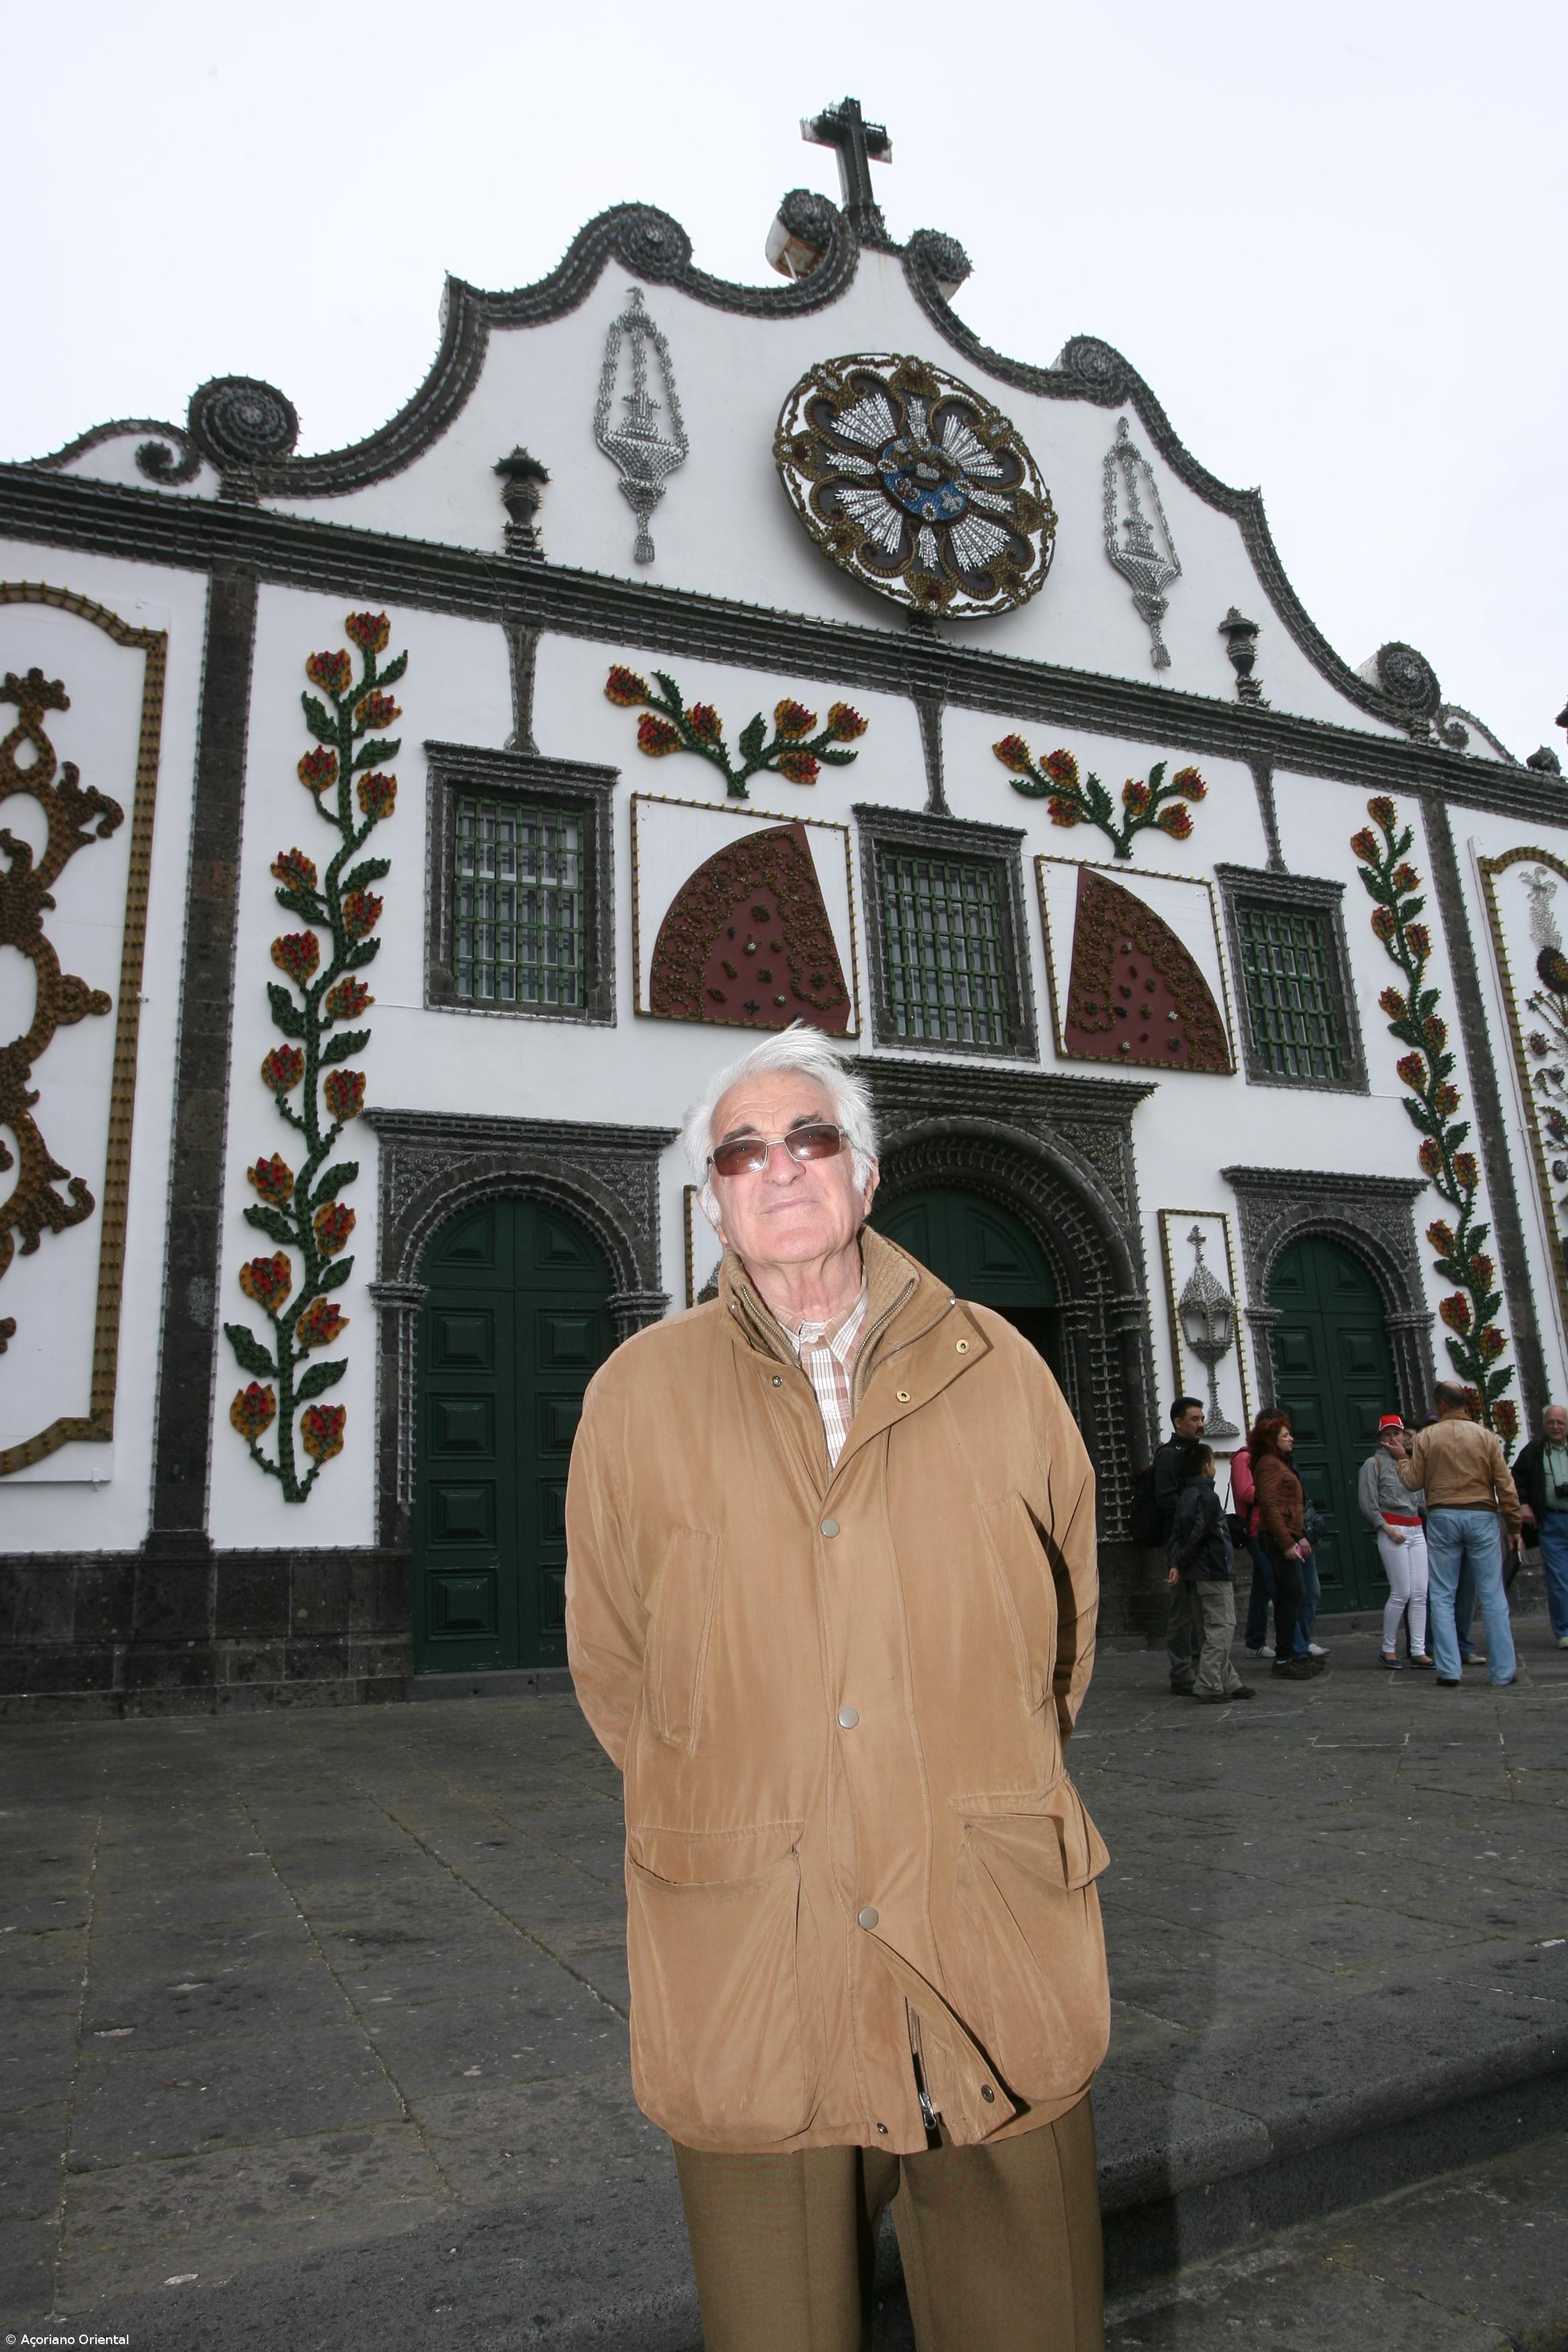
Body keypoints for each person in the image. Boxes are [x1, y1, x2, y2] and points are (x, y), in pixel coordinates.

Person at [565, 1024, 1108, 2352]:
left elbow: (1064, 1637)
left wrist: (965, 1783)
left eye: (810, 1136)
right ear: (712, 1200)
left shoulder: (1000, 1366)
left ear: (866, 1177)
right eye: (740, 1150)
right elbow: (614, 1666)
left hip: (987, 1942)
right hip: (755, 1957)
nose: (779, 1166)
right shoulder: (637, 1394)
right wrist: (749, 1803)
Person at [1397, 1383, 1520, 1687]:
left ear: (1441, 1406)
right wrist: (1515, 1526)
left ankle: (1449, 1669)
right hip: (1481, 1514)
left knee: (1441, 1593)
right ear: (1464, 1404)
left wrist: (1401, 1458)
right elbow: (1505, 1485)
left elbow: (1413, 1482)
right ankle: (1503, 1671)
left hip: (1442, 1515)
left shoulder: (1427, 1436)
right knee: (1492, 1594)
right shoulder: (1486, 1437)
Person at [1167, 1442, 1253, 1702]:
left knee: (1209, 1630)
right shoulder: (1207, 1496)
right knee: (1223, 1626)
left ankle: (1229, 1680)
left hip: (1196, 1572)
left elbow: (1178, 1535)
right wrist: (1182, 1561)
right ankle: (1208, 1682)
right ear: (1206, 1468)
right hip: (1212, 1570)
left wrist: (1177, 1563)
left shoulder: (1185, 1496)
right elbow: (1200, 1533)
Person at [1358, 1414, 1432, 1669]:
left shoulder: (1412, 1462)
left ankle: (1419, 1649)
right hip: (1393, 1528)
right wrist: (1387, 1528)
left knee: (1421, 1593)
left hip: (1416, 1528)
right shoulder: (1374, 1464)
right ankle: (1388, 1649)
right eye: (1387, 1435)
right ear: (1380, 1439)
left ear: (1404, 1436)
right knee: (1401, 1592)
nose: (1393, 1438)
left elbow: (1422, 1500)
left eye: (1397, 1434)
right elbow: (1368, 1503)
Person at [1252, 1414, 1320, 1681]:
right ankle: (1284, 1657)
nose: (1291, 1439)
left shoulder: (1280, 1463)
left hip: (1288, 1535)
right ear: (1272, 1440)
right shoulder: (1270, 1464)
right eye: (1285, 1435)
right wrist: (1287, 1543)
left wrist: (1299, 1535)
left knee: (1294, 1594)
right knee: (1292, 1594)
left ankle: (1291, 1655)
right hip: (1277, 1539)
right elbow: (1269, 1506)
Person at [1156, 1397, 1207, 1695]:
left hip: (1200, 1541)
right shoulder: (1170, 1455)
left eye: (1202, 1419)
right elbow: (1166, 1499)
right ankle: (1182, 1671)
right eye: (1194, 1419)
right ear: (1178, 1422)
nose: (1201, 1424)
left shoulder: (1197, 1453)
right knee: (1181, 1608)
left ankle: (1203, 1667)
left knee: (1200, 1606)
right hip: (1180, 1541)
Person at [1507, 1403, 1568, 1649]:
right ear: (1544, 1425)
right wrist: (1523, 1504)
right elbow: (1516, 1479)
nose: (1556, 1426)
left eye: (1560, 1422)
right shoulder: (1534, 1450)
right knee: (1559, 1579)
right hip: (1552, 1522)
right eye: (1551, 1422)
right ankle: (1564, 1631)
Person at [1229, 1434, 1274, 1659]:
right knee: (1274, 1582)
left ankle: (1255, 1641)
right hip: (1256, 1530)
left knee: (1263, 1587)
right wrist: (1273, 1493)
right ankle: (1294, 1641)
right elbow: (1246, 1491)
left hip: (1270, 1528)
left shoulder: (1269, 1459)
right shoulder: (1244, 1459)